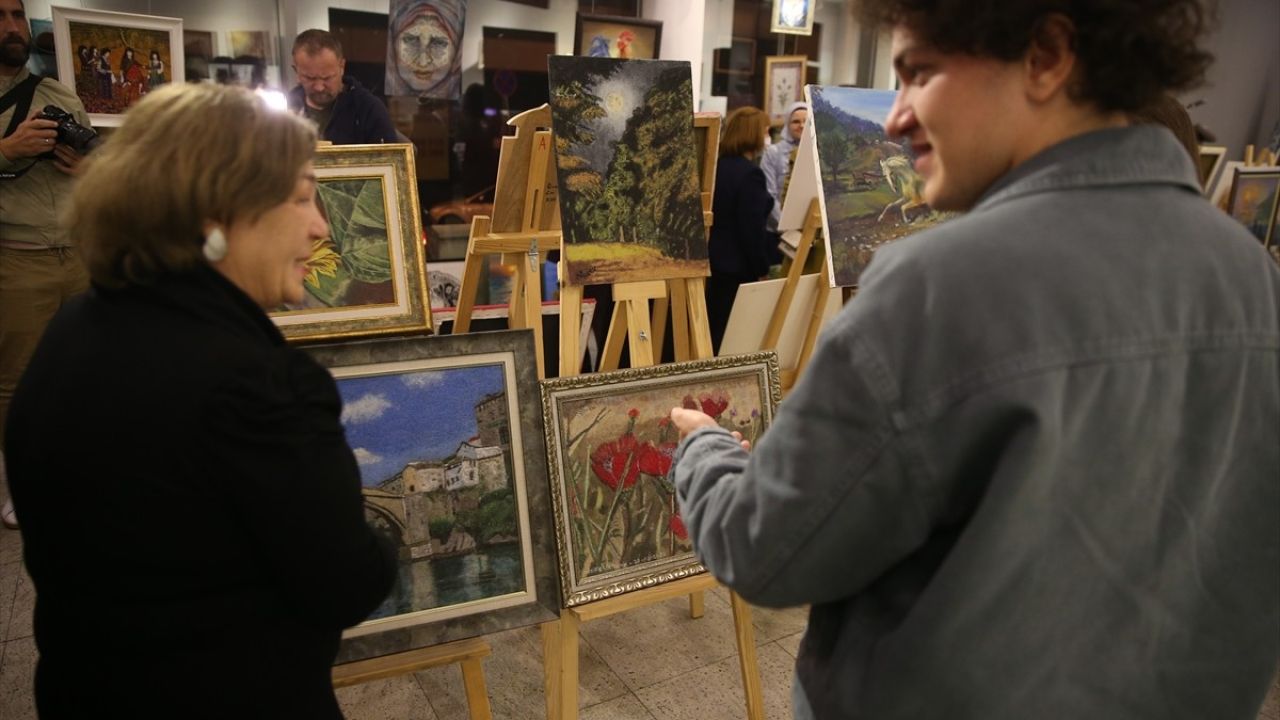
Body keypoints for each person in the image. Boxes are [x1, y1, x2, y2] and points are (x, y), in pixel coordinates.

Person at [670, 1, 1280, 718]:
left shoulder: (940, 285)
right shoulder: (1252, 275)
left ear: (1047, 56)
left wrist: (704, 451)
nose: (894, 120)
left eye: (919, 74)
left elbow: (765, 548)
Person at [4, 83, 397, 717]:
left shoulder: (73, 329)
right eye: (300, 198)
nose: (321, 225)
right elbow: (347, 584)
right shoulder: (259, 385)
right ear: (216, 216)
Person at [0, 0, 92, 531]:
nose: (13, 27)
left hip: (74, 252)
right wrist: (9, 149)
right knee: (16, 380)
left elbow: (92, 164)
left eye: (17, 15)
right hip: (16, 256)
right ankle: (20, 482)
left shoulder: (59, 94)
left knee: (78, 371)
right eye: (3, 17)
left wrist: (86, 164)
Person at [705, 106, 783, 352]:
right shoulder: (750, 175)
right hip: (737, 267)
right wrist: (761, 268)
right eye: (765, 130)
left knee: (713, 331)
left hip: (713, 262)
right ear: (753, 134)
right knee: (731, 338)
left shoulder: (717, 167)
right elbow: (751, 229)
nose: (767, 135)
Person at [288, 29, 398, 145]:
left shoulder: (369, 109)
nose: (319, 87)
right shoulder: (282, 110)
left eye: (327, 78)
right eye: (310, 78)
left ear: (342, 67)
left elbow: (391, 161)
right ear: (296, 71)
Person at [760, 101, 809, 231]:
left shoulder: (818, 153)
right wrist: (786, 224)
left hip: (809, 227)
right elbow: (769, 193)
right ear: (787, 125)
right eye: (796, 122)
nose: (802, 125)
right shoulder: (772, 152)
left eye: (806, 121)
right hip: (777, 229)